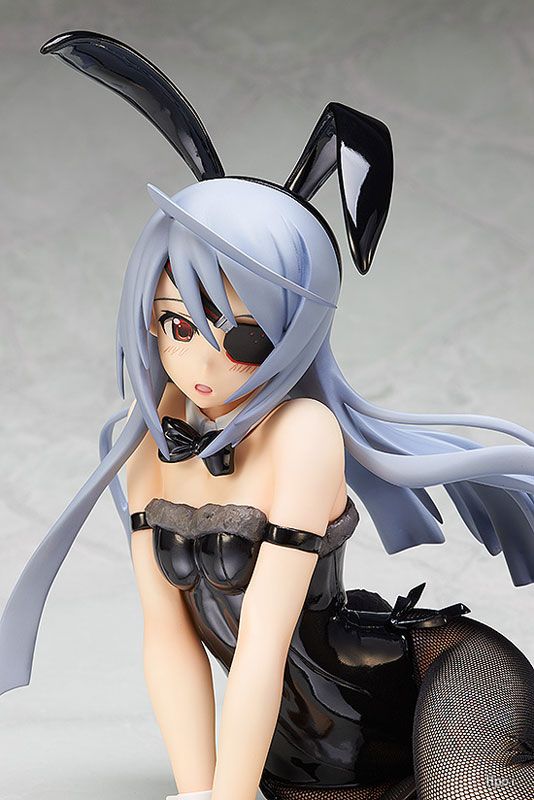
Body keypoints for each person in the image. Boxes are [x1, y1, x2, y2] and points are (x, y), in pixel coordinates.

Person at [1, 30, 533, 800]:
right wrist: (203, 792)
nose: (202, 364)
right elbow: (168, 639)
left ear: (296, 328)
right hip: (299, 754)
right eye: (178, 324)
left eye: (244, 337)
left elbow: (262, 644)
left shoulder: (301, 435)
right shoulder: (151, 442)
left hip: (428, 686)